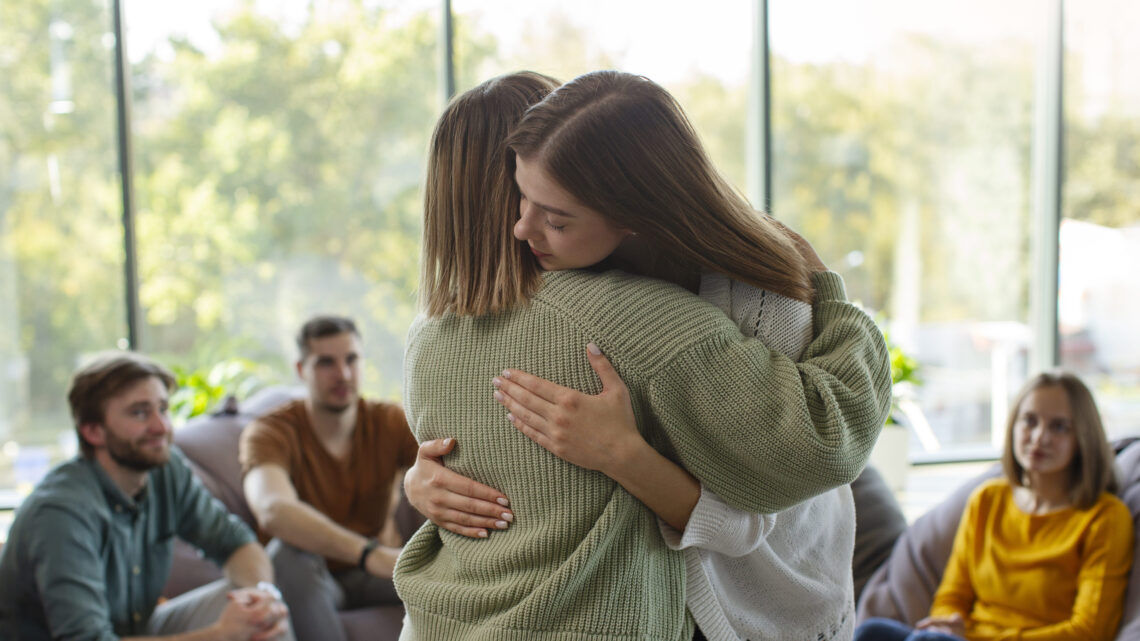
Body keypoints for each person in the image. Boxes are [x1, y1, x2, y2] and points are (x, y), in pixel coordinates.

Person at [394, 70, 892, 641]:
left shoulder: (715, 303)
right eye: (525, 196)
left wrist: (623, 456)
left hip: (764, 610)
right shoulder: (490, 325)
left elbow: (767, 507)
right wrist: (420, 482)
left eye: (554, 214)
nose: (522, 225)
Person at [0, 351, 291, 641]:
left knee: (257, 615)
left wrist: (263, 595)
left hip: (133, 631)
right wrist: (218, 635)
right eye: (139, 412)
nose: (161, 427)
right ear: (92, 431)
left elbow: (234, 543)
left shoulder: (165, 470)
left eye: (162, 409)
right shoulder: (60, 513)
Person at [855, 370, 1134, 641]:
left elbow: (1090, 631)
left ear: (1083, 438)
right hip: (967, 637)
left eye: (1059, 427)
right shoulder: (987, 500)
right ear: (1014, 425)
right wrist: (947, 624)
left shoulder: (1105, 517)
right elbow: (952, 596)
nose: (1039, 437)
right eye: (1030, 421)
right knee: (872, 631)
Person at [239, 315, 419, 641]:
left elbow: (447, 469)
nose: (343, 374)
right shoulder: (269, 431)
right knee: (286, 553)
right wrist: (368, 553)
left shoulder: (389, 421)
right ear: (300, 369)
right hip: (310, 577)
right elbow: (272, 508)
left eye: (351, 359)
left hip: (378, 573)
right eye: (326, 363)